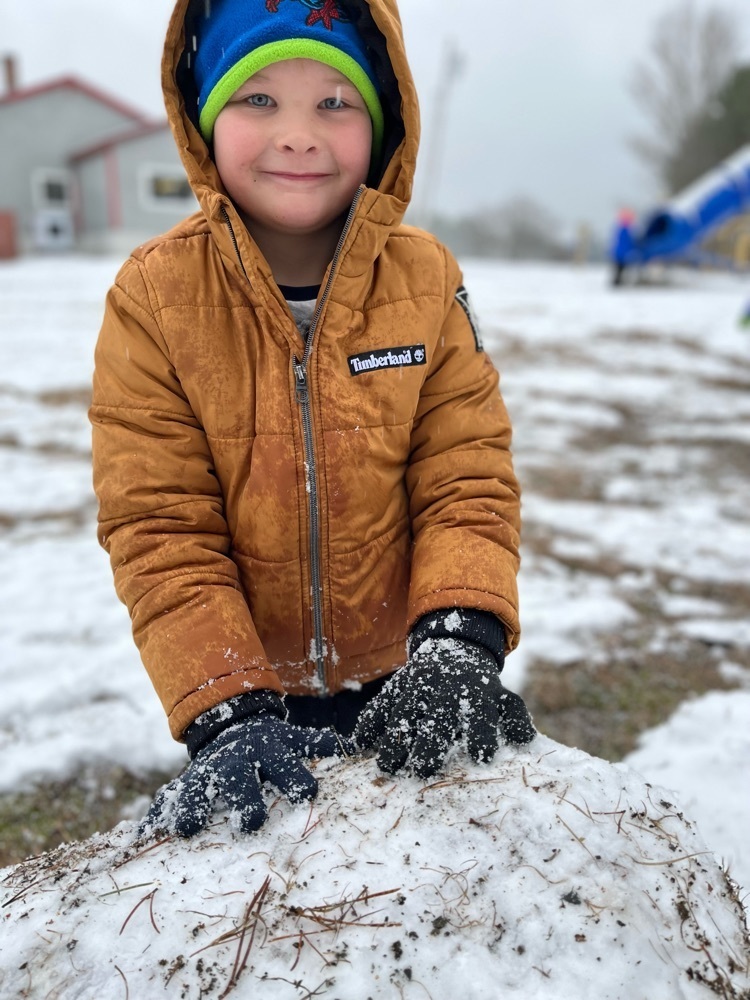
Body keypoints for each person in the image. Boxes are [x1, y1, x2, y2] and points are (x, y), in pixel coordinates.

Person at [90, 0, 535, 839]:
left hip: (407, 670)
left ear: (385, 119)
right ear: (204, 118)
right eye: (258, 100)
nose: (299, 134)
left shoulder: (426, 279)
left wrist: (457, 639)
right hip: (250, 695)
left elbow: (466, 477)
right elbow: (160, 527)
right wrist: (227, 707)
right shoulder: (153, 298)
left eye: (335, 102)